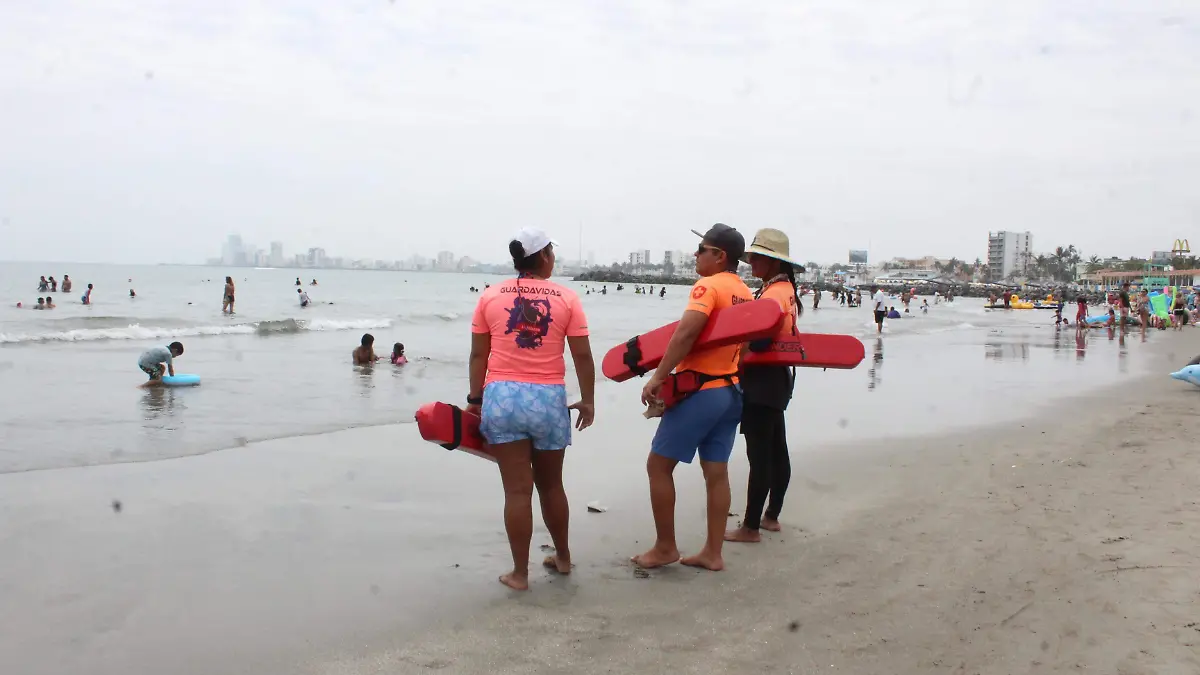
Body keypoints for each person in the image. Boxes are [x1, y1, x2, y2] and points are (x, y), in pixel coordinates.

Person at [467, 227, 595, 591]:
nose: (554, 257)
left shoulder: (490, 296)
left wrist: (475, 401)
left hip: (503, 398)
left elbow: (478, 355)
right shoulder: (567, 298)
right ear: (544, 257)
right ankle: (563, 558)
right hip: (548, 400)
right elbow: (582, 356)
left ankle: (520, 574)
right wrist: (588, 400)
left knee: (517, 492)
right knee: (552, 486)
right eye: (552, 251)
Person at [633, 223, 751, 573]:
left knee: (658, 466)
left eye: (702, 250)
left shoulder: (707, 286)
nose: (696, 255)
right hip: (731, 391)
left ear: (720, 256)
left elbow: (685, 333)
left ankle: (665, 547)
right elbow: (744, 347)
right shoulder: (744, 291)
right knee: (716, 472)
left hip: (701, 393)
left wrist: (658, 376)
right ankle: (713, 553)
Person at [725, 229, 802, 544]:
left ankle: (751, 527)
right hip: (777, 377)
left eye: (757, 257)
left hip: (762, 380)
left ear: (773, 261)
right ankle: (771, 516)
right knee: (776, 450)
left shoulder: (772, 295)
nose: (751, 262)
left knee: (760, 457)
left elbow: (759, 339)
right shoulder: (785, 290)